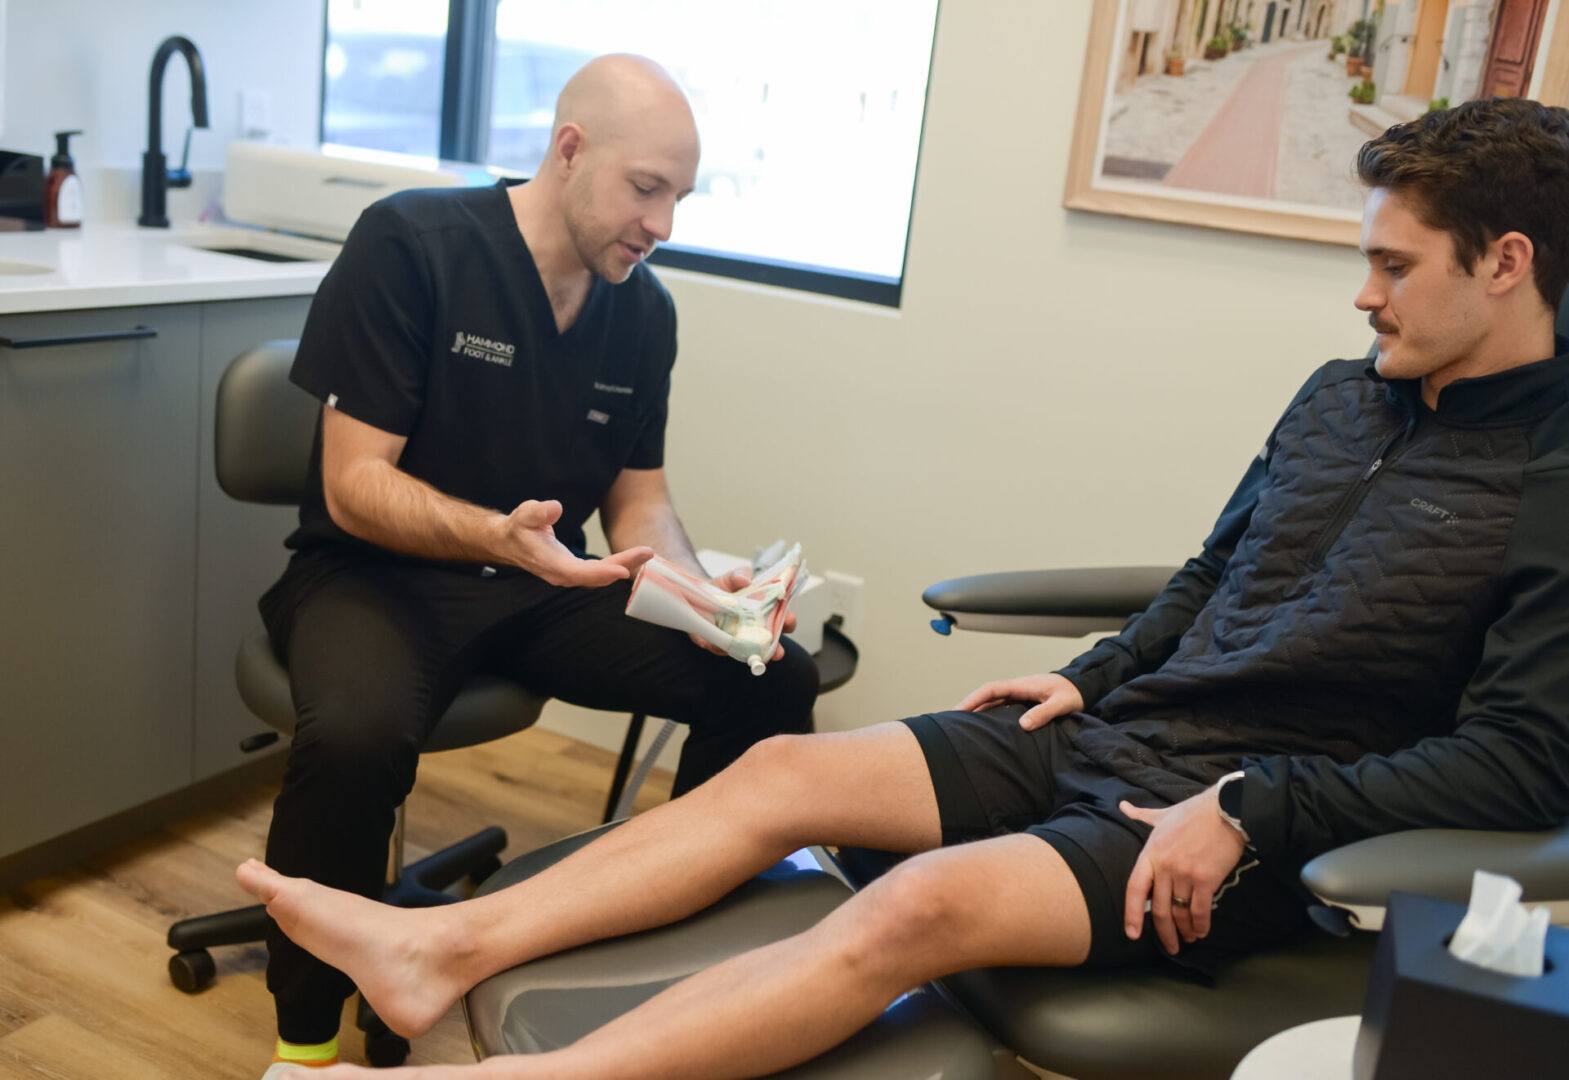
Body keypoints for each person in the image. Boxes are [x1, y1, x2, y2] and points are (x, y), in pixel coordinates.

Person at [242, 97, 1569, 1079]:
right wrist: (1095, 670)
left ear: (1504, 264)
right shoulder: (1343, 398)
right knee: (775, 780)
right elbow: (1219, 571)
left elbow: (1529, 761)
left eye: (1394, 268)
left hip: (1246, 824)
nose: (1362, 295)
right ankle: (439, 951)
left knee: (917, 900)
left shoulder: (1552, 474)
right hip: (1119, 730)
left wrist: (1259, 804)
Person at [252, 55, 819, 1077]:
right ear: (569, 152)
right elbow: (353, 485)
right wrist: (493, 536)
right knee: (355, 737)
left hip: (539, 584)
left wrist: (701, 596)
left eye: (680, 198)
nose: (663, 225)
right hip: (368, 575)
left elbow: (637, 496)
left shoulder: (643, 312)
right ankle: (304, 1043)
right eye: (647, 189)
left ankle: (680, 965)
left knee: (771, 677)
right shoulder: (412, 244)